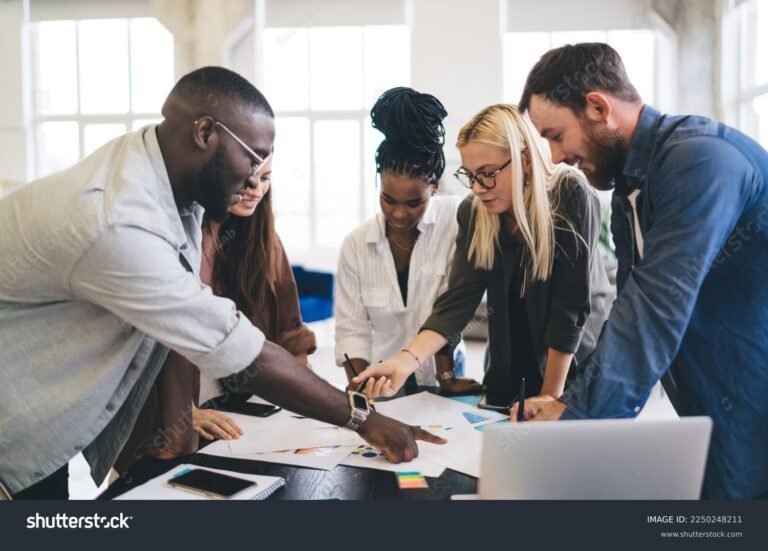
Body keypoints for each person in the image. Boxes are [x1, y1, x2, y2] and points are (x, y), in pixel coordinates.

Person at [0, 67, 444, 499]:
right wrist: (363, 419)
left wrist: (177, 447)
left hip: (39, 423)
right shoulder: (117, 221)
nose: (255, 180)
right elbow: (237, 350)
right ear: (205, 133)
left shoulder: (165, 180)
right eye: (252, 158)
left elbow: (175, 334)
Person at [515, 42, 768, 500]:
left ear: (597, 107)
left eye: (555, 135)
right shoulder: (631, 188)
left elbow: (654, 308)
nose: (555, 157)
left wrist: (579, 424)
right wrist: (572, 401)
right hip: (719, 409)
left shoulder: (702, 162)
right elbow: (629, 308)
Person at [353, 103, 613, 407]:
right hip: (509, 369)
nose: (477, 188)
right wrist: (404, 361)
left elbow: (569, 310)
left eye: (488, 174)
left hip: (573, 368)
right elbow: (457, 302)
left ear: (525, 160)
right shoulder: (475, 213)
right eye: (470, 175)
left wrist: (549, 396)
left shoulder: (570, 194)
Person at [115, 156, 317, 470]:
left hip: (239, 411)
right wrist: (180, 410)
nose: (256, 190)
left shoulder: (264, 240)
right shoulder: (170, 238)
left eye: (266, 179)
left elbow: (290, 335)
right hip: (161, 422)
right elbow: (130, 349)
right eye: (248, 178)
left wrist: (304, 402)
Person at [335, 87, 482, 395]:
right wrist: (362, 388)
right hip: (381, 379)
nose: (399, 214)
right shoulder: (355, 245)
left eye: (414, 203)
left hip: (444, 374)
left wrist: (446, 380)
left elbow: (451, 306)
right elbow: (353, 330)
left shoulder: (456, 219)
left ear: (435, 189)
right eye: (388, 199)